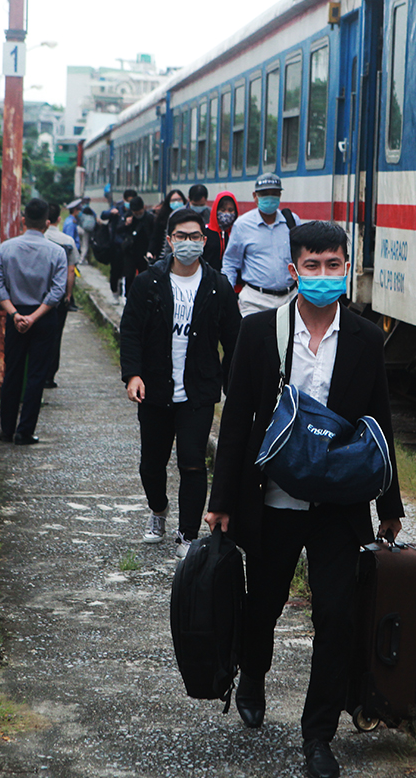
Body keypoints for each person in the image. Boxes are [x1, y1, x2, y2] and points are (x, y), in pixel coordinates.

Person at [206, 220, 403, 778]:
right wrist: (221, 499)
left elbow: (377, 424)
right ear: (294, 271)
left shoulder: (365, 338)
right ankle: (254, 673)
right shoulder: (260, 332)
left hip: (337, 507)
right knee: (263, 606)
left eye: (333, 265)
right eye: (311, 266)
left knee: (336, 617)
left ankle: (318, 735)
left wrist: (388, 506)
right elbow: (240, 420)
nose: (323, 275)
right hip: (272, 501)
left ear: (348, 268)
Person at [121, 209, 241, 558]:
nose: (188, 243)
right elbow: (130, 331)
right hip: (155, 388)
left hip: (198, 391)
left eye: (195, 237)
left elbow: (234, 342)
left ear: (205, 241)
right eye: (181, 236)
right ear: (169, 240)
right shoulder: (149, 281)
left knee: (192, 461)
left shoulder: (217, 286)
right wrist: (133, 374)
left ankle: (188, 534)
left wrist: (235, 388)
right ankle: (158, 510)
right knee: (151, 464)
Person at [0, 198, 68, 445]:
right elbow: (57, 292)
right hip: (43, 317)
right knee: (36, 375)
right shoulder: (57, 252)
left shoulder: (6, 248)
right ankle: (25, 432)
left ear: (23, 220)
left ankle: (6, 429)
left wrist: (15, 315)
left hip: (16, 316)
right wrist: (34, 317)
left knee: (12, 372)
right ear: (47, 223)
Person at [221, 173, 301, 315]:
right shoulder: (242, 225)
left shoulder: (292, 222)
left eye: (274, 193)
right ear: (255, 196)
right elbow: (230, 263)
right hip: (254, 301)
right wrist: (226, 295)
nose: (270, 198)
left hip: (289, 299)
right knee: (254, 337)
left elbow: (302, 257)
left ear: (280, 196)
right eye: (264, 194)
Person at [44, 203, 79, 388]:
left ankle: (37, 374)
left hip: (38, 296)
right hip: (58, 297)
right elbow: (71, 271)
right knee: (55, 336)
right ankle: (49, 376)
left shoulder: (40, 239)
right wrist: (68, 295)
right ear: (59, 218)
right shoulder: (67, 241)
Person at [101, 189, 138, 299]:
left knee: (128, 272)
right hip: (116, 246)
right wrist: (111, 213)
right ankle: (114, 292)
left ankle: (125, 294)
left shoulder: (135, 212)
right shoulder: (117, 210)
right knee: (115, 271)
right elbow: (103, 215)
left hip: (129, 247)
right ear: (124, 200)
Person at [121, 196, 155, 297]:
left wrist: (151, 250)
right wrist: (126, 224)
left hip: (144, 252)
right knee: (129, 275)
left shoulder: (150, 218)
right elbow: (119, 231)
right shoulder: (129, 218)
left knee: (144, 276)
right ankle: (128, 296)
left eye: (139, 212)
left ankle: (143, 297)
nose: (137, 215)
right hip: (131, 252)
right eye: (135, 213)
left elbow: (153, 236)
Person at [203, 191, 238, 272]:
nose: (226, 213)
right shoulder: (205, 233)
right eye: (222, 210)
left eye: (230, 210)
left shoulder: (238, 233)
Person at [151, 187, 189, 259]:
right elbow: (155, 237)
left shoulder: (188, 216)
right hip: (163, 256)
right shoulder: (161, 218)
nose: (176, 202)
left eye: (179, 200)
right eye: (173, 200)